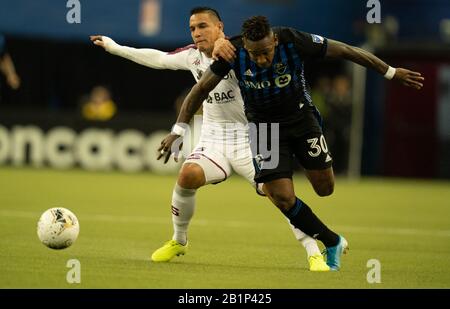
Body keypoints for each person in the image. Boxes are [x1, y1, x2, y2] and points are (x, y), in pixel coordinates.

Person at [159, 16, 424, 270]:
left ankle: (325, 239)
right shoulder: (234, 52)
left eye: (265, 52)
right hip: (265, 129)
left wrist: (390, 72)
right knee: (282, 197)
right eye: (255, 55)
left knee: (324, 188)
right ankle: (331, 242)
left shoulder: (293, 40)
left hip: (301, 120)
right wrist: (178, 130)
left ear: (273, 41)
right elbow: (200, 89)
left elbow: (345, 50)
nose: (261, 60)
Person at [91, 8, 329, 271]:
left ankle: (313, 251)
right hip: (215, 137)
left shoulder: (244, 52)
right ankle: (179, 240)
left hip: (258, 133)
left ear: (220, 27)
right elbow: (158, 58)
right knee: (188, 175)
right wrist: (115, 48)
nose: (197, 33)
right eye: (192, 28)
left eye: (203, 26)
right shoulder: (192, 56)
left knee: (280, 195)